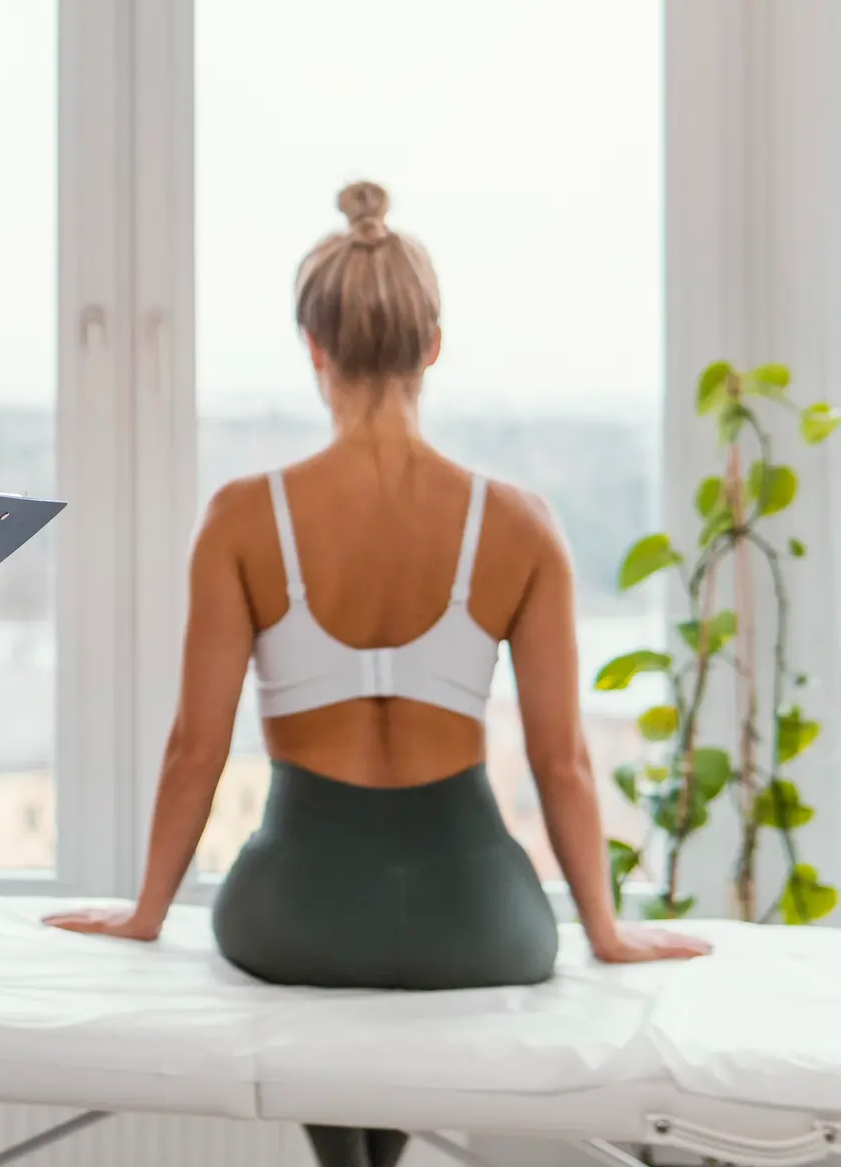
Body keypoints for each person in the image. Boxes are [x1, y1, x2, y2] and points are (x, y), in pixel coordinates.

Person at [43, 182, 710, 1167]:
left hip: (293, 910)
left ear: (313, 347)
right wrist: (605, 929)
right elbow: (563, 759)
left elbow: (197, 745)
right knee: (409, 984)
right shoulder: (520, 523)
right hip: (478, 919)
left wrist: (147, 911)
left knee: (334, 977)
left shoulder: (243, 516)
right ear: (433, 344)